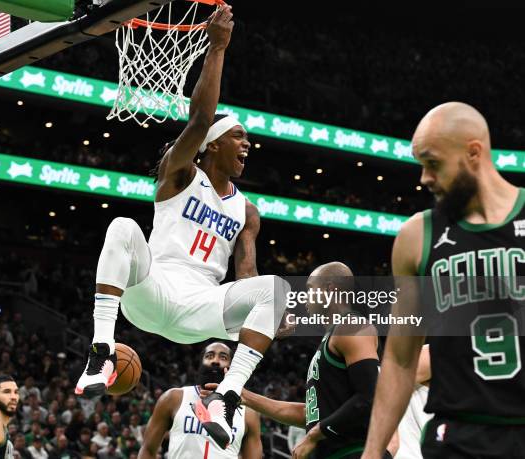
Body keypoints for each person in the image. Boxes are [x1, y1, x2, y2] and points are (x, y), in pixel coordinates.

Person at [74, 3, 289, 450]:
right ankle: (100, 351)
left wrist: (266, 317)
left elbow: (247, 280)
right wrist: (217, 49)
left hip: (202, 307)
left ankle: (229, 396)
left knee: (278, 289)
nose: (247, 144)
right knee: (122, 227)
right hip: (152, 290)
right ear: (212, 146)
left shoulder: (247, 211)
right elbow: (198, 120)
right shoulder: (181, 174)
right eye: (239, 136)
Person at [362, 102, 525, 459]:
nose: (424, 179)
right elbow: (401, 360)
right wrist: (372, 452)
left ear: (473, 153)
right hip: (456, 436)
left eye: (433, 164)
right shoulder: (416, 236)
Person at [236, 263, 397, 458]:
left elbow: (370, 396)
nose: (305, 298)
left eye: (310, 289)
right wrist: (244, 396)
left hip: (356, 452)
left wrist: (314, 435)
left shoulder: (351, 327)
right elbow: (312, 415)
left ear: (330, 290)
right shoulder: (335, 336)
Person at [138, 342, 261, 458]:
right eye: (209, 356)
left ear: (231, 367)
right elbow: (148, 450)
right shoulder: (173, 398)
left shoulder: (248, 412)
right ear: (200, 364)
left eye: (223, 357)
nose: (215, 361)